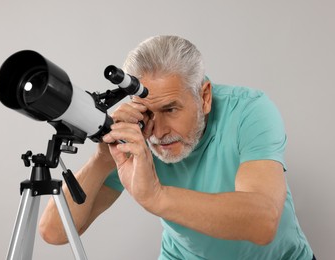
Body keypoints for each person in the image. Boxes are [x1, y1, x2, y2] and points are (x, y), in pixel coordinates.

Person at [39, 35, 314, 259]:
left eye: (170, 109)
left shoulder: (249, 110)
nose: (157, 132)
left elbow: (263, 222)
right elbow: (53, 232)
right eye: (147, 112)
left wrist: (156, 197)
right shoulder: (138, 132)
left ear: (204, 96)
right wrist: (101, 159)